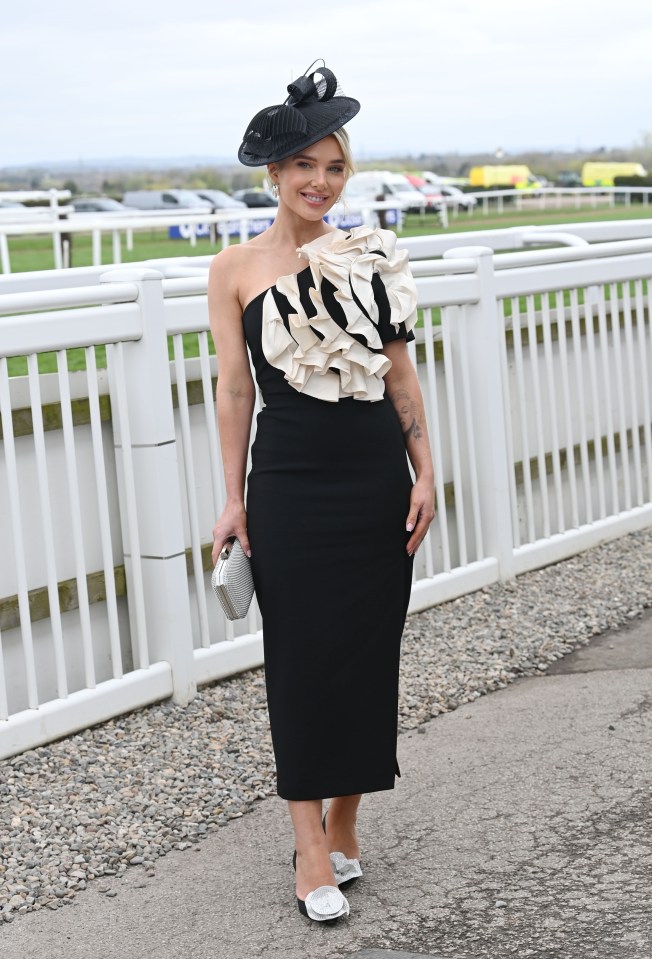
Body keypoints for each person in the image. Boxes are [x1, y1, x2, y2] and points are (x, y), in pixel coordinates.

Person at [208, 61, 435, 924]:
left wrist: (427, 470)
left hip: (375, 478)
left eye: (334, 167)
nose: (319, 182)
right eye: (304, 165)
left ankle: (346, 820)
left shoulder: (374, 255)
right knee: (301, 659)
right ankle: (309, 847)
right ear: (275, 174)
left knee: (367, 654)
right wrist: (231, 499)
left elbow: (401, 374)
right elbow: (234, 390)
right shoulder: (232, 270)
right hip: (291, 486)